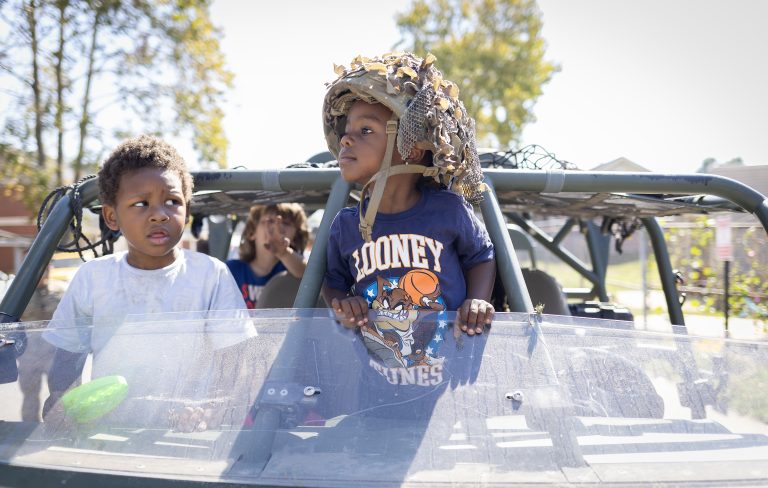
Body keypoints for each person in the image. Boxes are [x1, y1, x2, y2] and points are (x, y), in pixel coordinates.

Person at [41, 135, 253, 425]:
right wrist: (61, 403)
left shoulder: (211, 275)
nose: (159, 215)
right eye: (141, 203)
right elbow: (67, 356)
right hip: (109, 431)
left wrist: (214, 408)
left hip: (188, 434)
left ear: (187, 211)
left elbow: (234, 360)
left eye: (172, 202)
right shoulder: (93, 278)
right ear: (112, 217)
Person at [321, 52, 496, 369]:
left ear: (411, 148)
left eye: (366, 131)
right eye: (347, 130)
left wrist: (478, 299)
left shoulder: (449, 210)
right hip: (376, 385)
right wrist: (342, 303)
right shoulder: (345, 225)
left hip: (449, 382)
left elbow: (481, 256)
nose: (346, 139)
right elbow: (331, 280)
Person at [226, 203, 309, 309]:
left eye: (286, 223)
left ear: (295, 236)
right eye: (270, 221)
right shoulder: (232, 270)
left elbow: (310, 274)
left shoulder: (293, 270)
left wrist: (284, 253)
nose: (278, 227)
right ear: (252, 232)